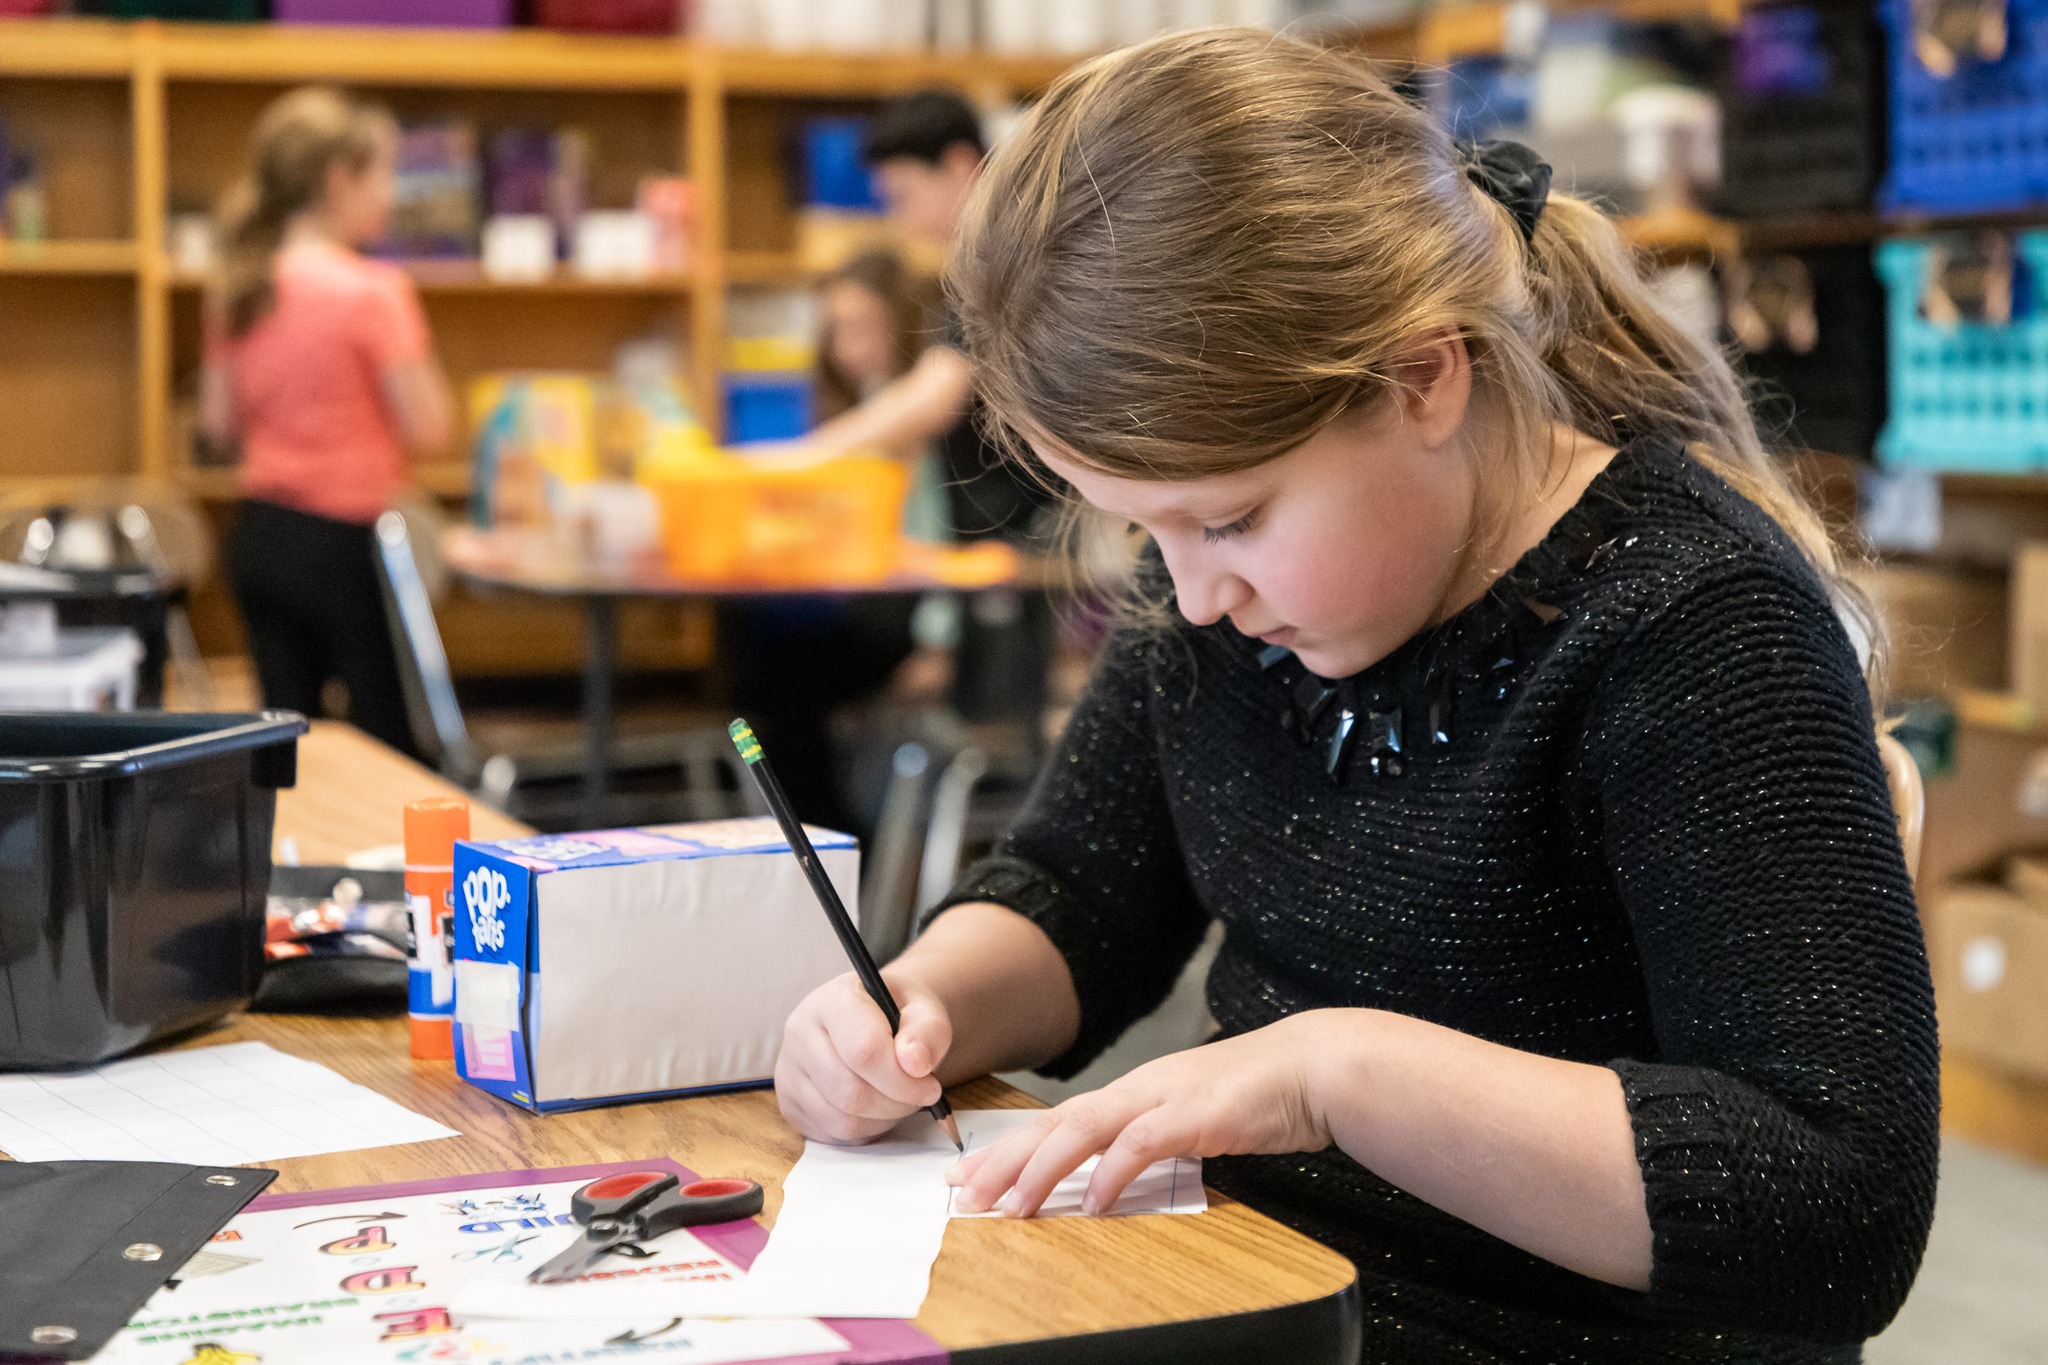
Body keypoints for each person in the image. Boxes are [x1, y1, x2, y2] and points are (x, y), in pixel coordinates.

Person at [773, 30, 1938, 1365]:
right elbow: (1084, 894)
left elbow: (1839, 1213)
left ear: (1423, 378)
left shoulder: (1692, 625)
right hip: (1260, 1299)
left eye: (1233, 520)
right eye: (1144, 533)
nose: (1194, 595)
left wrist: (1340, 1076)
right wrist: (916, 1005)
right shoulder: (1232, 602)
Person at [203, 86, 455, 757]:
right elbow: (429, 423)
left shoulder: (238, 285)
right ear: (338, 178)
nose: (391, 193)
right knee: (394, 743)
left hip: (259, 535)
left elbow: (216, 421)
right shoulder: (373, 292)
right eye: (383, 174)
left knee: (289, 749)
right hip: (345, 544)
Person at [719, 250, 953, 831]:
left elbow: (945, 536)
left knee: (780, 681)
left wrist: (940, 643)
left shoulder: (915, 416)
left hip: (928, 619)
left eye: (863, 327)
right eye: (836, 330)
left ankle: (832, 840)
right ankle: (821, 834)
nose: (847, 347)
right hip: (881, 602)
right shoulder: (870, 402)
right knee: (762, 658)